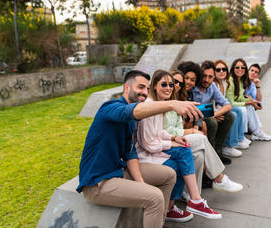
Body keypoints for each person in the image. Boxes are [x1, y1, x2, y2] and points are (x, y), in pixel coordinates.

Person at [77, 70, 203, 228]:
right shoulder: (110, 108)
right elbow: (130, 111)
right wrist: (172, 103)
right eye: (140, 87)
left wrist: (141, 183)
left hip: (118, 172)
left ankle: (158, 222)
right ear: (127, 88)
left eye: (147, 88)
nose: (144, 92)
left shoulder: (131, 122)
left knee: (169, 175)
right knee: (155, 197)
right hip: (98, 182)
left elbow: (130, 154)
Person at [136, 70, 222, 222]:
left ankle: (182, 204)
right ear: (154, 86)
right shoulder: (149, 107)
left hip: (155, 149)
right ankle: (195, 199)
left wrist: (175, 137)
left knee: (185, 149)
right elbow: (148, 143)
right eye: (164, 84)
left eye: (171, 84)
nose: (169, 87)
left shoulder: (160, 104)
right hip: (145, 155)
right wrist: (173, 141)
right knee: (182, 155)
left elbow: (160, 132)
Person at [166, 70, 243, 196]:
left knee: (200, 153)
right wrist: (191, 131)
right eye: (172, 82)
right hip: (168, 141)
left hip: (178, 134)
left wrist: (196, 126)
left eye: (180, 83)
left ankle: (192, 196)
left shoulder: (181, 96)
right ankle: (219, 178)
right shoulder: (165, 102)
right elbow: (166, 130)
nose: (177, 85)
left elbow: (198, 112)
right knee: (201, 137)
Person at [193, 60, 237, 163]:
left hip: (205, 114)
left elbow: (227, 105)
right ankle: (210, 157)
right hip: (193, 118)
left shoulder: (211, 86)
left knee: (229, 116)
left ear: (214, 77)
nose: (206, 80)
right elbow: (193, 110)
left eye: (210, 77)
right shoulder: (193, 86)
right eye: (204, 76)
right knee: (212, 122)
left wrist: (213, 114)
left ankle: (217, 151)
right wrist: (210, 116)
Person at [226, 59, 271, 141]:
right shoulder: (235, 80)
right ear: (248, 70)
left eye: (256, 72)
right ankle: (243, 135)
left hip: (238, 102)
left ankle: (256, 132)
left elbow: (259, 99)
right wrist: (249, 101)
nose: (253, 73)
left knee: (250, 106)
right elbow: (234, 99)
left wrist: (257, 86)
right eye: (252, 70)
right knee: (245, 108)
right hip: (231, 104)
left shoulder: (249, 83)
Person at [214, 60, 250, 152]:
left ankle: (239, 139)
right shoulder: (214, 84)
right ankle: (228, 145)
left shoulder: (225, 83)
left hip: (221, 108)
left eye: (224, 69)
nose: (221, 71)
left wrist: (249, 100)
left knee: (238, 110)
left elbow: (226, 102)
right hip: (215, 110)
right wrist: (215, 114)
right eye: (218, 70)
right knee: (233, 114)